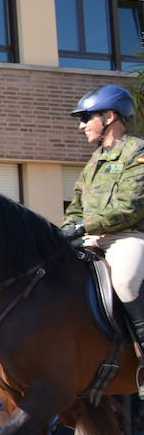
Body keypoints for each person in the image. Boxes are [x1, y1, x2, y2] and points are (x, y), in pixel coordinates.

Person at [62, 84, 144, 396]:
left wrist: (82, 227)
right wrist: (66, 230)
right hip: (90, 239)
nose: (81, 125)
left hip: (126, 236)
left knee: (124, 281)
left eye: (86, 118)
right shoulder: (93, 161)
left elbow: (129, 207)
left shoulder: (137, 152)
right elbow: (77, 206)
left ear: (109, 117)